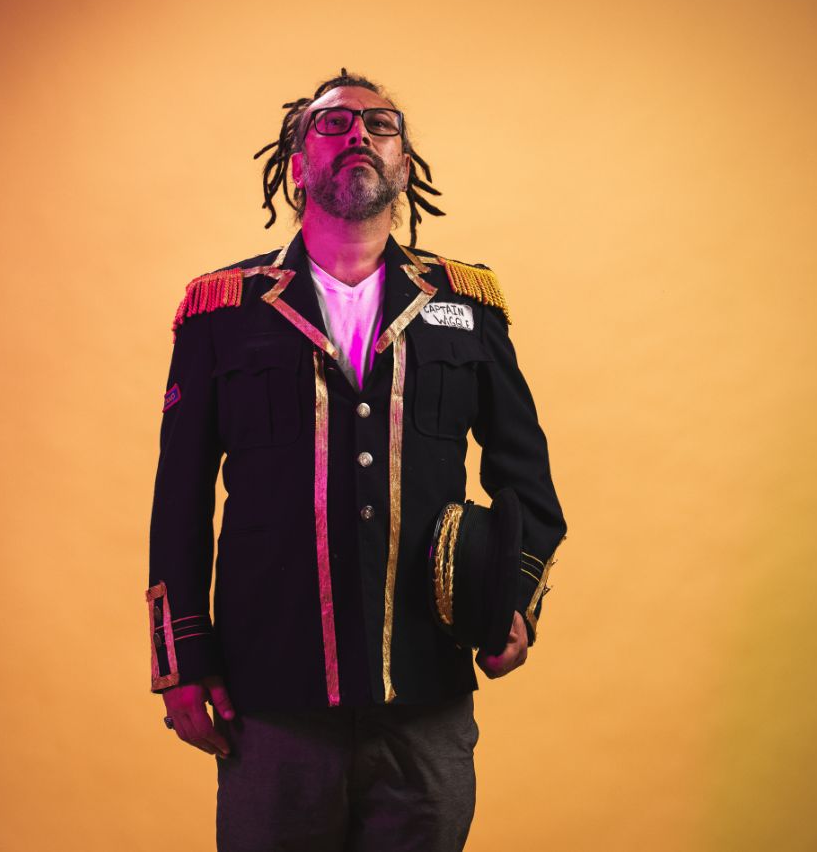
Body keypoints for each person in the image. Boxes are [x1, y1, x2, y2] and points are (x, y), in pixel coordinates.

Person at [145, 69, 567, 851]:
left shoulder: (465, 304)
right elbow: (180, 497)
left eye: (381, 124)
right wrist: (183, 660)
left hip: (427, 692)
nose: (360, 135)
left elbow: (527, 478)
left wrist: (513, 597)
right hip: (272, 696)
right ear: (297, 164)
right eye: (332, 124)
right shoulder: (223, 311)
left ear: (405, 162)